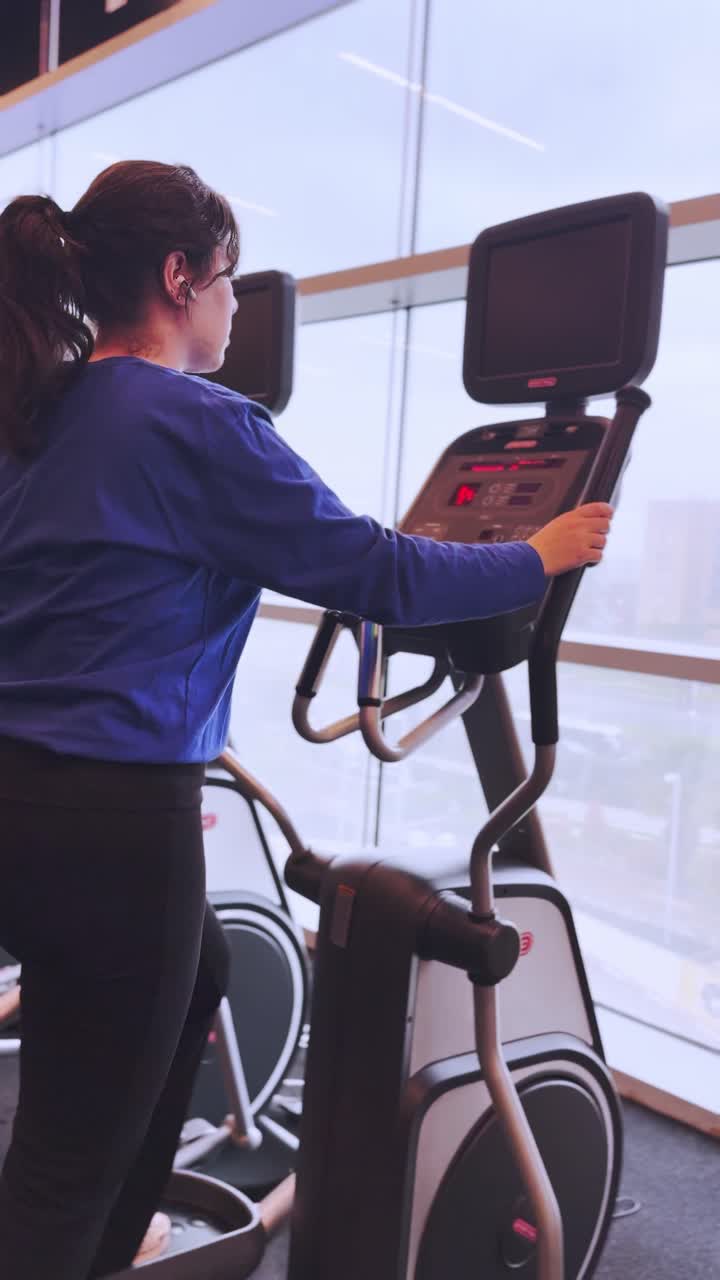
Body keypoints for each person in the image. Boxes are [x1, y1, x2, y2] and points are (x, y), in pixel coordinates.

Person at [0, 160, 612, 1280]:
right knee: (59, 1166)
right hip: (113, 826)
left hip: (19, 801)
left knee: (192, 979)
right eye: (229, 279)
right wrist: (540, 553)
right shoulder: (196, 421)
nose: (235, 304)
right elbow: (381, 570)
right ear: (181, 278)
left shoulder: (45, 406)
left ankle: (112, 1237)